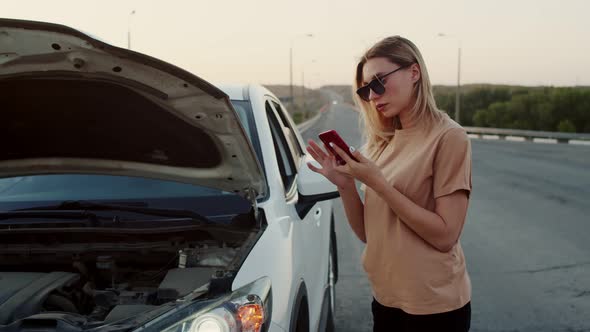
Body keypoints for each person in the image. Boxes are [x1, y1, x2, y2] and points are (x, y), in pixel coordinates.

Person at [306, 36, 473, 332]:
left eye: (379, 81)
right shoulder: (381, 144)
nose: (373, 96)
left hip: (433, 306)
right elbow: (369, 234)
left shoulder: (449, 138)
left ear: (414, 72)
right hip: (386, 299)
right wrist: (345, 184)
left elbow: (446, 235)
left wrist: (380, 184)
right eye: (366, 89)